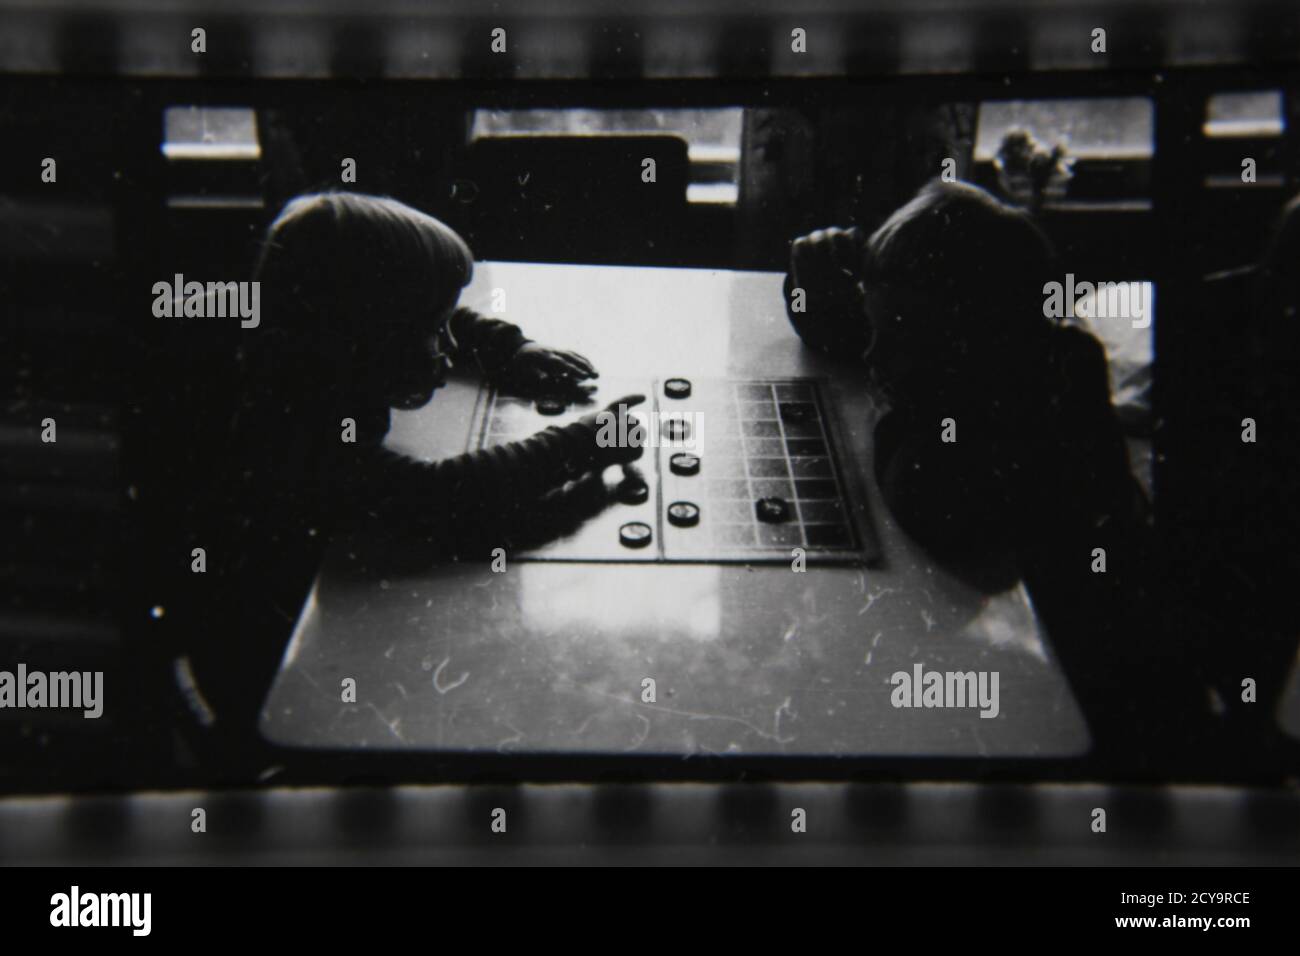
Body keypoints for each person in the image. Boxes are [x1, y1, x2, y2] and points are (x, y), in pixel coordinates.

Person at [177, 192, 642, 758]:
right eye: (431, 330)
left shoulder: (315, 357)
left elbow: (451, 318)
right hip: (266, 694)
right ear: (356, 337)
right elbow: (443, 495)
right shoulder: (300, 434)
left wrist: (511, 349)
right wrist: (580, 443)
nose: (449, 342)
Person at [784, 180, 1200, 763]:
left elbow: (923, 497)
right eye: (878, 328)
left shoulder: (1039, 396)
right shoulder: (981, 348)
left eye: (897, 339)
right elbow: (869, 344)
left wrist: (892, 408)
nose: (875, 356)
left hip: (1104, 689)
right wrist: (812, 285)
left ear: (969, 346)